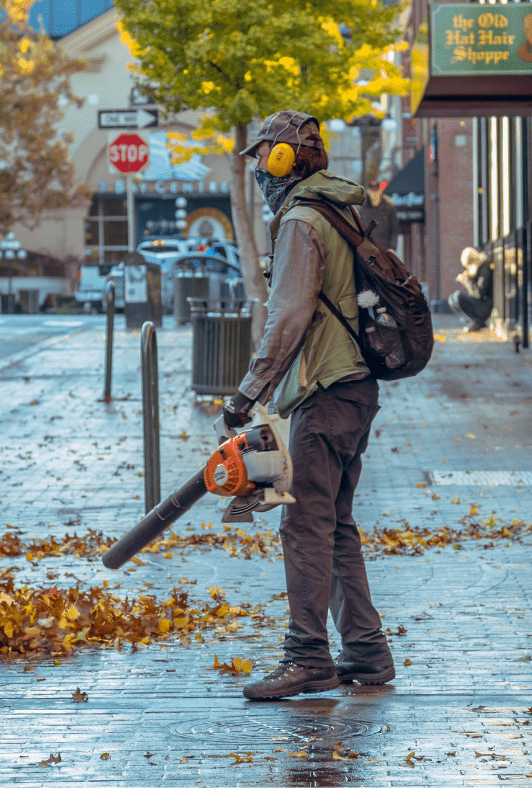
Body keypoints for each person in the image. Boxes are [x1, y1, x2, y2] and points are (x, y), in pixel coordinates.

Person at [222, 110, 395, 701]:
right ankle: (367, 652)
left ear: (282, 159)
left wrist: (249, 391)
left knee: (304, 525)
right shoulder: (337, 208)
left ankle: (307, 658)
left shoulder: (301, 219)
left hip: (328, 389)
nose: (259, 175)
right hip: (356, 387)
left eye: (262, 159)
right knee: (335, 521)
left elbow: (289, 314)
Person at [449, 247, 493, 332]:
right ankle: (474, 322)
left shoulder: (484, 269)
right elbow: (474, 294)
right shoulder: (478, 270)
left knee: (458, 296)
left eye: (468, 266)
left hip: (486, 306)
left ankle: (478, 322)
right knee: (452, 298)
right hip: (482, 304)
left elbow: (479, 293)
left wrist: (467, 281)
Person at [357, 180, 400, 252]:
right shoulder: (362, 209)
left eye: (377, 190)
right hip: (367, 250)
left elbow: (394, 230)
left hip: (384, 250)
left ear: (381, 191)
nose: (375, 193)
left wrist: (392, 248)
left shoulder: (389, 209)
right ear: (368, 191)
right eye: (372, 191)